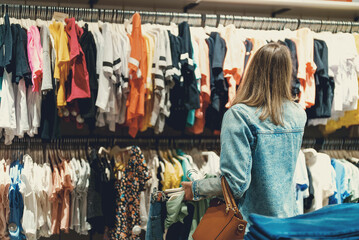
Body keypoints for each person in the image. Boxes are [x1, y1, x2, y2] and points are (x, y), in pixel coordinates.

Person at [182, 43, 307, 224]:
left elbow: (235, 184)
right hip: (288, 221)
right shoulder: (298, 114)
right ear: (287, 72)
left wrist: (195, 188)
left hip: (250, 225)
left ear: (253, 69)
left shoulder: (239, 115)